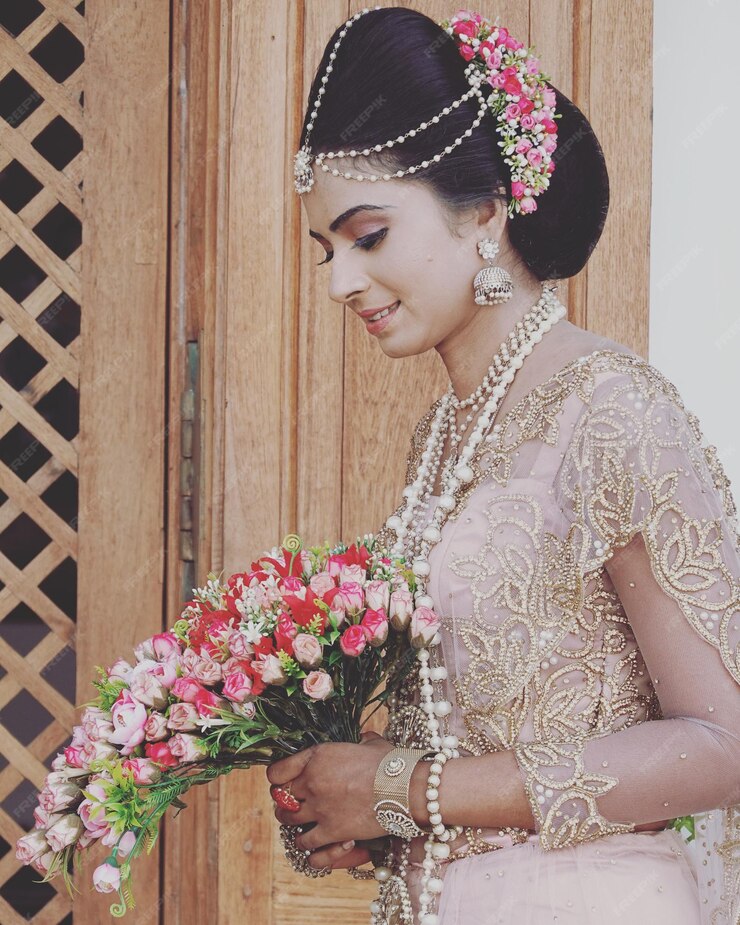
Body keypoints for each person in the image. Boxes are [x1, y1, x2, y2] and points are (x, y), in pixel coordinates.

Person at [267, 8, 740, 923]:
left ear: (484, 213)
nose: (339, 281)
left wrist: (407, 786)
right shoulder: (443, 437)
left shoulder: (612, 408)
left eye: (368, 236)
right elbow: (478, 733)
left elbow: (723, 741)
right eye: (326, 249)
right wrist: (358, 793)